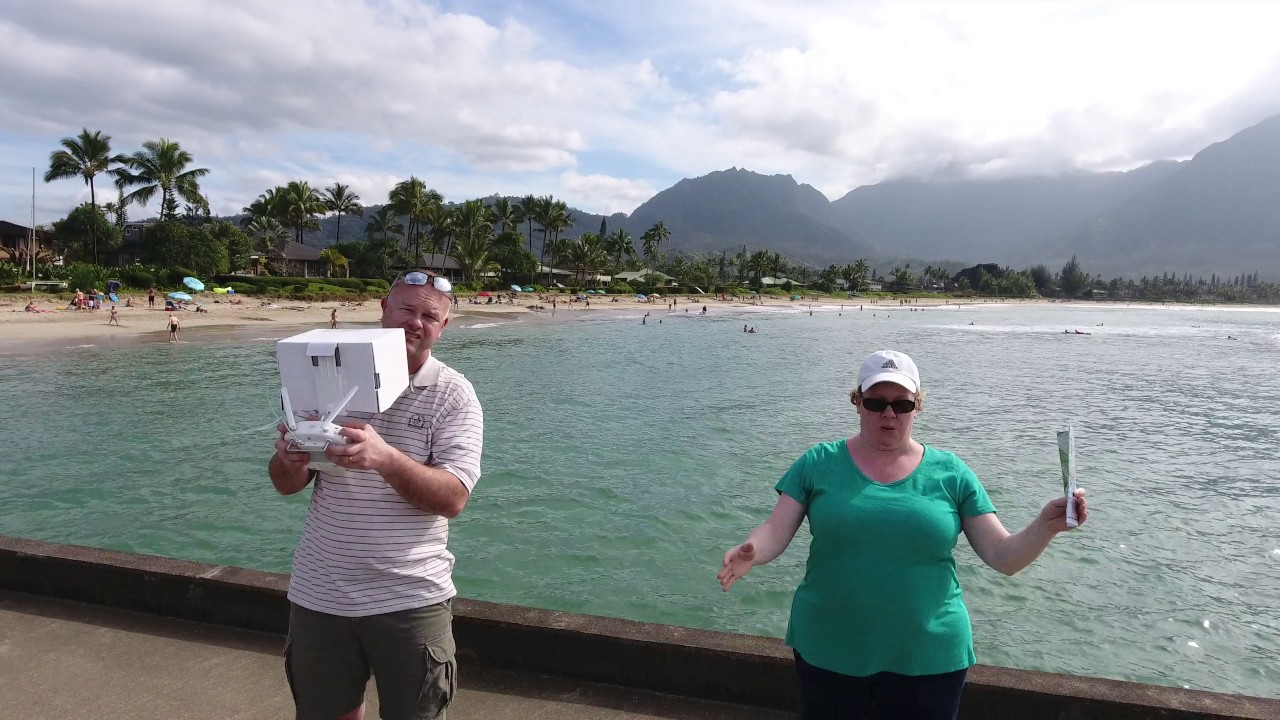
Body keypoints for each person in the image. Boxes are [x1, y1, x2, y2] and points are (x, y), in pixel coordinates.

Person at [718, 350, 1088, 720]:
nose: (889, 414)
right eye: (876, 402)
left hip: (929, 657)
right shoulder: (818, 463)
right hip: (830, 649)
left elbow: (1004, 556)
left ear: (918, 406)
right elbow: (774, 530)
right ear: (857, 403)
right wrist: (752, 552)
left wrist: (1046, 526)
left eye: (902, 404)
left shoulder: (952, 473)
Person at [269, 268, 483, 720]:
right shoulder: (324, 374)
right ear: (383, 309)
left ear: (442, 328)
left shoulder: (453, 395)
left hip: (410, 598)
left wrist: (385, 458)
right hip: (319, 594)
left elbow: (454, 498)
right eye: (406, 308)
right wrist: (289, 460)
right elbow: (286, 485)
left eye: (429, 315)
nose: (415, 322)